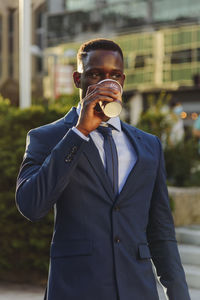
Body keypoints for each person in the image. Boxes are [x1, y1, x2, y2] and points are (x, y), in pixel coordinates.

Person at [16, 39, 190, 300]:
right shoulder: (47, 137)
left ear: (123, 80)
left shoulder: (149, 146)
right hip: (76, 290)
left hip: (138, 291)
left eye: (114, 75)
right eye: (95, 74)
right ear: (78, 79)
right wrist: (79, 132)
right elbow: (31, 204)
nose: (105, 83)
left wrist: (179, 295)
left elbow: (161, 232)